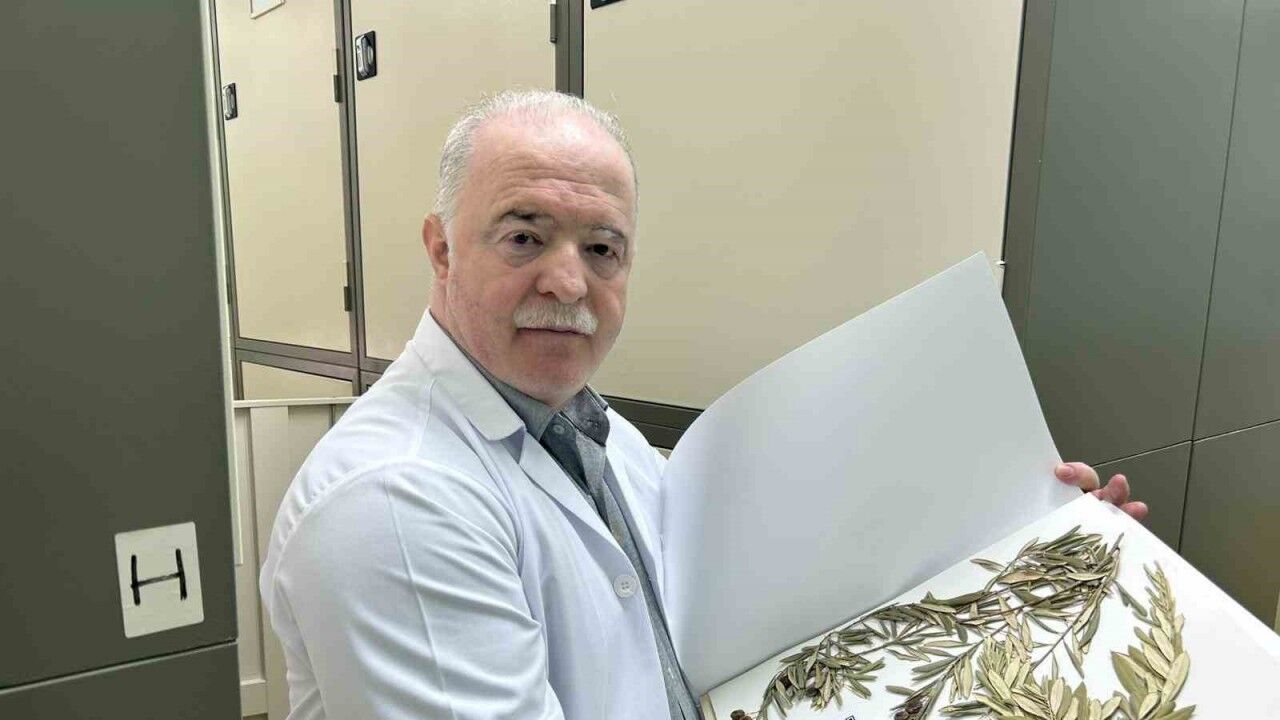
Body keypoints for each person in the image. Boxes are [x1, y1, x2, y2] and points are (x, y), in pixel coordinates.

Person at [259, 90, 1148, 720]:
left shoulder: (597, 436)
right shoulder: (395, 502)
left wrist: (1028, 541)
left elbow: (774, 609)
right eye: (525, 236)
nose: (568, 282)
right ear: (442, 249)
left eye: (603, 249)